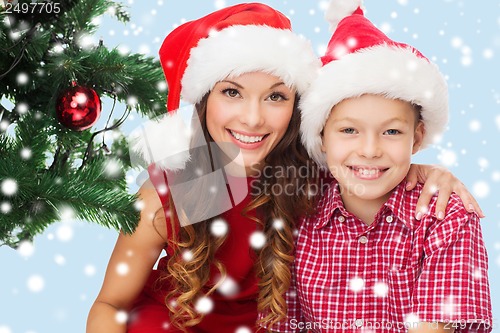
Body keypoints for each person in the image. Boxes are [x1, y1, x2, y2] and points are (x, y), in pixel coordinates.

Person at [86, 3, 485, 333]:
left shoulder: (310, 176)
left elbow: (369, 158)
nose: (253, 119)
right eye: (231, 92)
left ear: (298, 107)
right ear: (204, 100)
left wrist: (425, 170)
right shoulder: (173, 190)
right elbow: (109, 303)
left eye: (275, 97)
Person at [265, 1, 492, 332]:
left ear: (417, 137)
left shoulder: (445, 214)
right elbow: (284, 322)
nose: (370, 150)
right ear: (321, 136)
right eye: (349, 130)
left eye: (391, 132)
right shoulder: (299, 210)